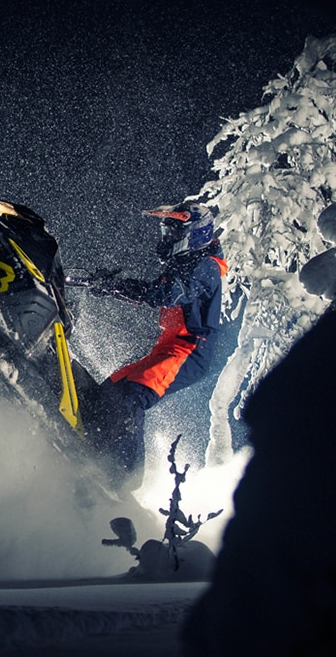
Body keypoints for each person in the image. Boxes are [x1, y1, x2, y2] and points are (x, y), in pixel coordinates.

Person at [81, 201, 244, 490]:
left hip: (190, 351)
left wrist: (116, 286)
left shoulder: (206, 266)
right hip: (169, 346)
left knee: (133, 397)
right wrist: (110, 286)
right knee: (113, 387)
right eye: (166, 231)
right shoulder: (184, 261)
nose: (167, 238)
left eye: (173, 232)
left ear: (192, 233)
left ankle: (122, 476)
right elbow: (154, 293)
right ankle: (91, 437)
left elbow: (166, 294)